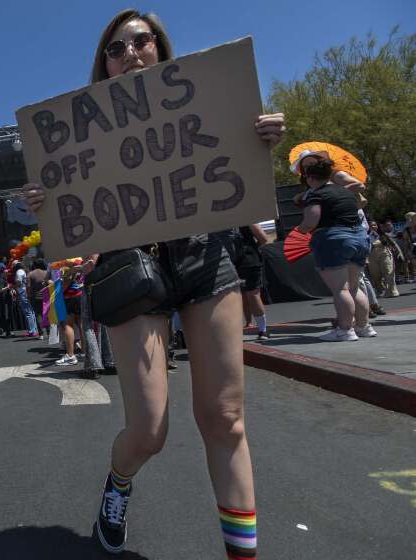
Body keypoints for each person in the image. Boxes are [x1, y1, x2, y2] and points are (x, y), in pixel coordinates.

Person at [23, 10, 284, 557]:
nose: (131, 53)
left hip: (205, 257)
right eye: (116, 49)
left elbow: (236, 177)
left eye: (142, 41)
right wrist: (45, 205)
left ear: (162, 50)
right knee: (148, 432)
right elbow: (69, 213)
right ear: (105, 66)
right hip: (128, 268)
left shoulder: (209, 105)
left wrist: (257, 138)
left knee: (225, 417)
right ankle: (118, 483)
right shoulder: (79, 138)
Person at [293, 152, 375, 341]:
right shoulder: (345, 190)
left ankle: (345, 330)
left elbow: (311, 221)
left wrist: (301, 229)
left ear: (310, 177)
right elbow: (358, 206)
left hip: (334, 239)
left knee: (341, 289)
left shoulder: (315, 193)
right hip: (359, 238)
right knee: (354, 288)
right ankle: (364, 327)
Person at [234, 225, 271, 340]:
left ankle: (261, 328)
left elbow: (263, 238)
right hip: (246, 259)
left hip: (238, 260)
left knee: (248, 294)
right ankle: (260, 329)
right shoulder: (246, 217)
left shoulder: (218, 217)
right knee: (249, 294)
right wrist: (253, 248)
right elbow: (263, 238)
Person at [55, 265, 84, 366]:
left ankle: (70, 355)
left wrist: (57, 293)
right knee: (81, 324)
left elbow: (67, 281)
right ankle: (85, 351)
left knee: (67, 325)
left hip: (70, 297)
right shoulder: (79, 261)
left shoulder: (67, 263)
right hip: (80, 294)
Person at [368, 221, 403, 297]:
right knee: (375, 275)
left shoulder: (384, 235)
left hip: (385, 254)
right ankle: (379, 290)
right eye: (371, 225)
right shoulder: (365, 236)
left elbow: (394, 244)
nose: (373, 226)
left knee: (388, 271)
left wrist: (400, 253)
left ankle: (392, 291)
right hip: (372, 256)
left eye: (374, 225)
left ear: (377, 226)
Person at [12, 262, 38, 337]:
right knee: (31, 312)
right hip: (26, 292)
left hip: (23, 292)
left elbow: (19, 282)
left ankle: (31, 331)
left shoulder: (19, 272)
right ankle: (34, 329)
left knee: (28, 312)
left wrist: (13, 286)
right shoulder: (24, 271)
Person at [26, 259, 49, 339]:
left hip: (35, 297)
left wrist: (28, 296)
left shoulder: (30, 274)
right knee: (46, 314)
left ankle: (41, 333)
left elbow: (28, 287)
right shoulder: (46, 272)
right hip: (46, 296)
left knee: (38, 315)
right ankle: (49, 332)